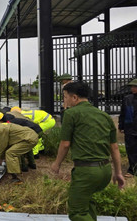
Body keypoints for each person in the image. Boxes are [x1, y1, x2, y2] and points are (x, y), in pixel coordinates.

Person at [51, 81, 125, 221]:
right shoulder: (103, 115)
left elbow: (65, 144)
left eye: (65, 97)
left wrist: (57, 164)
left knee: (77, 211)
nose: (64, 101)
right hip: (105, 171)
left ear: (74, 98)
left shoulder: (71, 114)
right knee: (87, 202)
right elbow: (114, 147)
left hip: (87, 172)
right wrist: (118, 172)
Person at [0, 115, 38, 184]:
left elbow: (2, 145)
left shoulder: (0, 129)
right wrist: (1, 157)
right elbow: (5, 143)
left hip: (29, 139)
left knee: (10, 153)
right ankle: (18, 169)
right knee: (11, 151)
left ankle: (15, 178)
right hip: (28, 136)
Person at [118, 78, 137, 178]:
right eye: (132, 87)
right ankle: (133, 170)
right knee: (131, 150)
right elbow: (123, 113)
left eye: (135, 87)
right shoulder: (127, 99)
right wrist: (121, 126)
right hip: (130, 129)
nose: (133, 88)